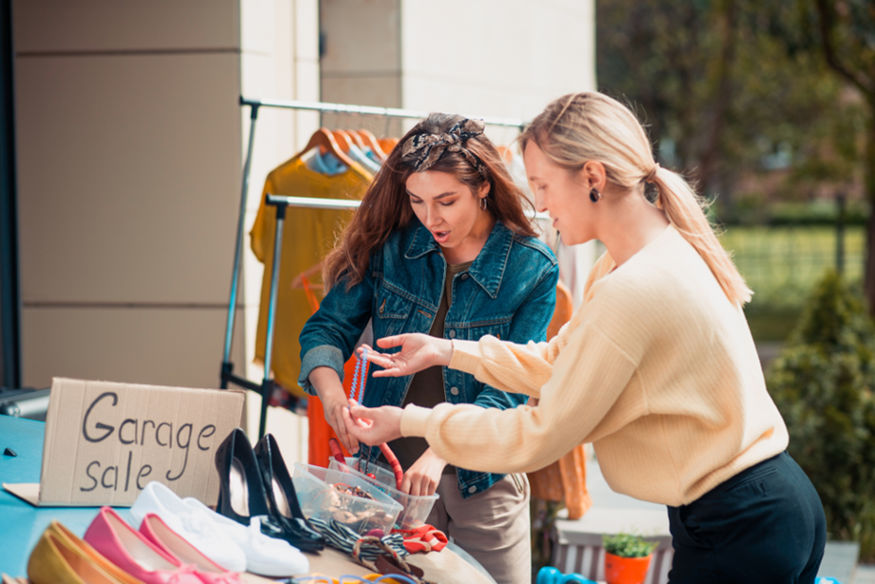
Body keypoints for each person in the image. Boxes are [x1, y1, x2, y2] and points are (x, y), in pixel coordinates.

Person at [347, 92, 827, 584]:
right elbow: (561, 359)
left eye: (544, 185)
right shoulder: (639, 258)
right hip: (764, 507)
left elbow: (539, 434)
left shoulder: (634, 288)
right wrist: (448, 351)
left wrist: (411, 421)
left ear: (592, 178)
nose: (539, 203)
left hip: (739, 523)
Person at [298, 113, 559, 584]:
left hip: (486, 482)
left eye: (446, 201)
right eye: (417, 201)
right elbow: (325, 329)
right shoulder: (391, 249)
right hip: (386, 482)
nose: (430, 217)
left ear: (482, 187)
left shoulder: (531, 268)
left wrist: (441, 447)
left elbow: (512, 386)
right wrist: (333, 397)